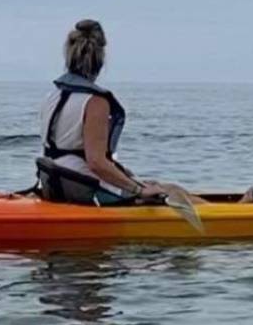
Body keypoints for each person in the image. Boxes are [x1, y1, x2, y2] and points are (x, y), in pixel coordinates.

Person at [35, 19, 166, 206]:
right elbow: (96, 163)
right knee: (170, 191)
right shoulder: (95, 102)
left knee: (157, 185)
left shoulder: (52, 95)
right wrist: (139, 189)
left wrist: (129, 178)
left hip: (55, 182)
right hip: (83, 187)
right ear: (100, 61)